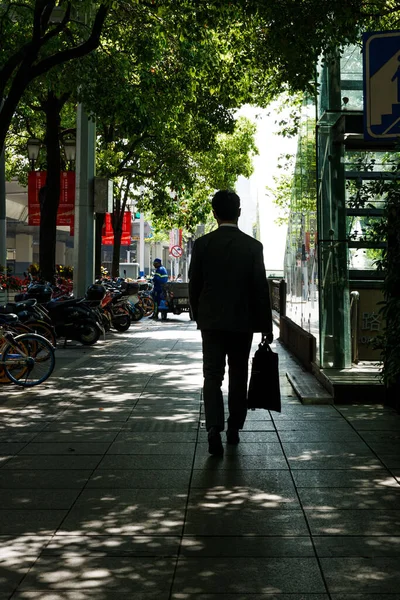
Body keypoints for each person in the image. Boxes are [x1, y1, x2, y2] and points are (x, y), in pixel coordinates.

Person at [189, 189, 273, 456]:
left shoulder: (202, 245)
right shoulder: (253, 247)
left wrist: (197, 314)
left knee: (212, 375)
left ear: (214, 213)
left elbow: (195, 285)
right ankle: (234, 426)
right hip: (242, 323)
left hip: (212, 323)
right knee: (239, 374)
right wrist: (266, 327)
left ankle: (213, 429)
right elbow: (261, 290)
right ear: (238, 212)